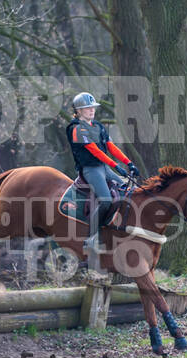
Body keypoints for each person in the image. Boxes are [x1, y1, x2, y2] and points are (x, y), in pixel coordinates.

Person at [66, 92, 140, 254]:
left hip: (104, 168)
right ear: (78, 111)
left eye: (92, 107)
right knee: (106, 201)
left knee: (128, 191)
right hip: (90, 169)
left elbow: (111, 147)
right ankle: (90, 239)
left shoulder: (98, 126)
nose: (91, 110)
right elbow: (94, 150)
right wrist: (116, 166)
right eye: (87, 108)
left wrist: (129, 163)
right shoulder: (77, 128)